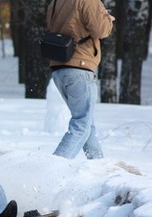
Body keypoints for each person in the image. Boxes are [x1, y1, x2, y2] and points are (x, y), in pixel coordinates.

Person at [47, 0, 115, 160]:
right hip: (79, 66)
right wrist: (107, 20)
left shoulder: (55, 2)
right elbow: (101, 31)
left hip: (59, 67)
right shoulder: (89, 1)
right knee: (82, 123)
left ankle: (97, 164)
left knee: (87, 122)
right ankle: (53, 167)